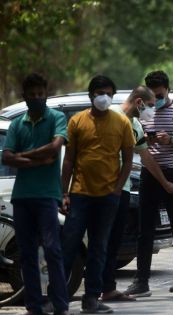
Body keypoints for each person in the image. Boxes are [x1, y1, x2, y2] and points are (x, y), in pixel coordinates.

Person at [61, 75, 135, 313]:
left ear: (112, 96)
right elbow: (69, 159)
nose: (104, 97)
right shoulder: (77, 121)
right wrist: (64, 192)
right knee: (69, 245)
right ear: (91, 95)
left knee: (98, 247)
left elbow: (128, 159)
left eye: (108, 93)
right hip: (80, 194)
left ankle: (91, 298)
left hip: (108, 197)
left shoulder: (121, 122)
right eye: (100, 92)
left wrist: (117, 189)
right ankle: (58, 296)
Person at [101, 86, 173, 302]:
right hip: (100, 189)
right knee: (100, 240)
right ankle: (92, 291)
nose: (152, 111)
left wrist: (166, 184)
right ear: (139, 103)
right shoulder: (111, 117)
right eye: (151, 106)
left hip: (122, 188)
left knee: (113, 241)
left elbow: (145, 157)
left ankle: (107, 288)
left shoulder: (135, 124)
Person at [125, 70, 173, 298]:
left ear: (168, 89)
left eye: (159, 95)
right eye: (152, 95)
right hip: (149, 174)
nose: (156, 100)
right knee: (144, 230)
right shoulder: (143, 111)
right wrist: (147, 139)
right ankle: (141, 281)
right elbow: (137, 141)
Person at [2, 74, 69, 315]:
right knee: (27, 253)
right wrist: (36, 160)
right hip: (22, 197)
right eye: (32, 95)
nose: (37, 98)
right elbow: (6, 156)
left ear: (46, 95)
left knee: (52, 249)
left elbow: (55, 147)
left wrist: (23, 158)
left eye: (41, 94)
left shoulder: (56, 118)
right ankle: (34, 306)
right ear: (25, 97)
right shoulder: (17, 124)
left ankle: (60, 304)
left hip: (47, 195)